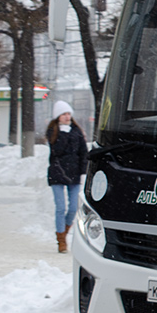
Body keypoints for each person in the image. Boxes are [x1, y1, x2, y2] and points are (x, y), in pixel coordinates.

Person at [46, 100, 87, 254]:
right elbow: (57, 150)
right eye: (63, 114)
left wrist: (83, 171)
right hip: (58, 172)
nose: (67, 116)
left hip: (74, 173)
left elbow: (83, 152)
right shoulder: (54, 131)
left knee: (72, 208)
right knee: (60, 207)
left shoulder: (77, 131)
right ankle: (61, 240)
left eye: (68, 113)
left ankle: (64, 231)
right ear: (58, 116)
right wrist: (63, 133)